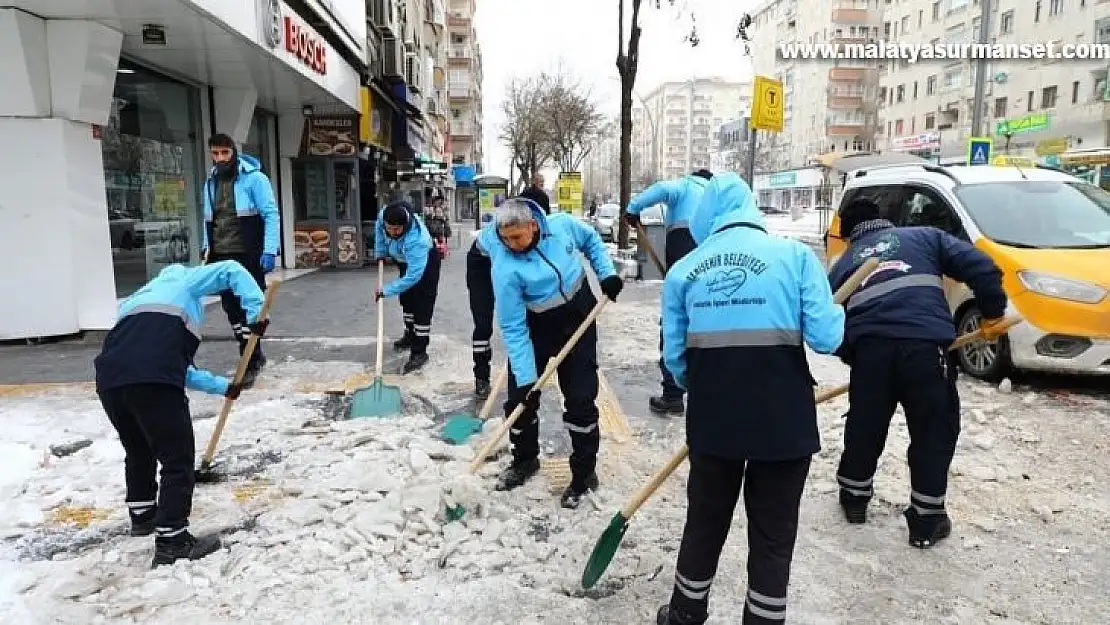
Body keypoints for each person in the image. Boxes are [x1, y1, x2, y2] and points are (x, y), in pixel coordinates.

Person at [656, 173, 845, 625]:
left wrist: (702, 388)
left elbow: (676, 361)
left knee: (705, 521)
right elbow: (827, 337)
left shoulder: (684, 271)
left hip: (714, 421)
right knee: (773, 535)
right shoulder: (796, 258)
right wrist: (832, 308)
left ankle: (684, 613)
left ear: (706, 217)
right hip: (784, 422)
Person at [827, 198, 1008, 548]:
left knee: (865, 426)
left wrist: (855, 355)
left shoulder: (844, 262)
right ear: (884, 223)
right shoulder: (926, 237)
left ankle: (854, 499)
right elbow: (983, 268)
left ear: (849, 235)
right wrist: (991, 313)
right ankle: (926, 520)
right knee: (933, 430)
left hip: (873, 352)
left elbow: (826, 323)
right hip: (927, 350)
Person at [94, 262, 266, 567]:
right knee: (177, 458)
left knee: (138, 449)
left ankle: (143, 516)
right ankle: (173, 539)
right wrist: (256, 315)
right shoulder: (185, 280)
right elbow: (230, 269)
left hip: (110, 381)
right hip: (154, 380)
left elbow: (169, 364)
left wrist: (224, 387)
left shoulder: (136, 300)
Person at [478, 197, 622, 508]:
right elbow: (514, 329)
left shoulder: (562, 226)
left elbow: (592, 241)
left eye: (518, 237)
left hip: (579, 313)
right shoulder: (504, 267)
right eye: (506, 239)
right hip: (537, 325)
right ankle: (525, 460)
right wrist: (529, 380)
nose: (512, 244)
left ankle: (584, 474)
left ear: (533, 225)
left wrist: (606, 273)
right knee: (520, 399)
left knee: (580, 397)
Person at [623, 169, 713, 416]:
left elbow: (661, 190)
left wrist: (633, 209)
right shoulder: (716, 194)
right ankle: (707, 394)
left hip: (683, 249)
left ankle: (673, 395)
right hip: (714, 255)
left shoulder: (685, 186)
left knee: (676, 319)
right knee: (706, 319)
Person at [200, 133, 280, 388]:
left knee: (251, 307)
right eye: (216, 153)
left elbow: (271, 214)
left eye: (225, 153)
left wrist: (269, 250)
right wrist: (206, 248)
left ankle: (252, 357)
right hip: (221, 254)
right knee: (230, 307)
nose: (220, 158)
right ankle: (246, 350)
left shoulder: (255, 179)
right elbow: (208, 219)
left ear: (234, 152)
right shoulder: (210, 183)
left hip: (247, 252)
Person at [374, 200, 442, 373]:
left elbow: (413, 276)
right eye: (389, 228)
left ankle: (419, 351)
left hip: (425, 265)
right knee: (406, 299)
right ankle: (410, 336)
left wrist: (386, 290)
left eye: (396, 230)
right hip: (404, 260)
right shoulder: (384, 216)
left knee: (422, 306)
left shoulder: (417, 240)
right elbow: (379, 231)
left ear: (405, 225)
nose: (392, 232)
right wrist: (380, 252)